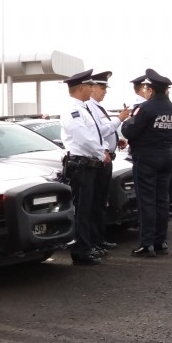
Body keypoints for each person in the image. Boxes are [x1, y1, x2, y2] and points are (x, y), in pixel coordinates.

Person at [121, 69, 172, 257]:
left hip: (146, 157)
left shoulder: (145, 108)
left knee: (147, 201)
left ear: (150, 89)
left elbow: (131, 132)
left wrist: (127, 122)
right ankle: (160, 241)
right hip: (166, 156)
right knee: (162, 200)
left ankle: (147, 244)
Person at [59, 69, 109, 265]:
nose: (92, 88)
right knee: (81, 210)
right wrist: (100, 153)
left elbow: (93, 134)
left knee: (86, 209)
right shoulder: (74, 109)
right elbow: (83, 137)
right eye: (89, 85)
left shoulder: (83, 108)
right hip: (80, 164)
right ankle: (81, 250)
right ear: (81, 87)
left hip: (86, 164)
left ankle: (86, 246)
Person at [85, 71, 130, 253]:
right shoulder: (89, 107)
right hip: (98, 161)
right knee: (95, 203)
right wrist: (119, 119)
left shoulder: (97, 107)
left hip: (106, 158)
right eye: (102, 87)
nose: (105, 91)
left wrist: (114, 139)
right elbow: (99, 132)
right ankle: (94, 240)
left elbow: (103, 133)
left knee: (101, 202)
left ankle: (99, 238)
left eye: (105, 88)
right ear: (92, 87)